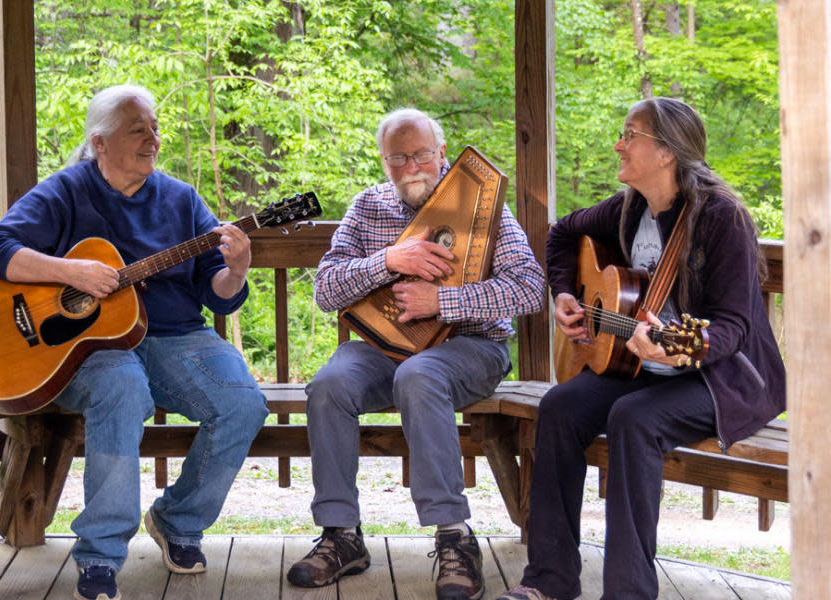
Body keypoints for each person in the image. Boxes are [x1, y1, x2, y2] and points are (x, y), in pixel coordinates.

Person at [0, 84, 269, 600]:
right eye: (138, 130)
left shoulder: (181, 198)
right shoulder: (66, 191)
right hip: (91, 346)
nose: (153, 139)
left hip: (177, 337)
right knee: (122, 389)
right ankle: (101, 555)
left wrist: (237, 270)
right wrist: (70, 272)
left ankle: (178, 520)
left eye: (155, 128)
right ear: (100, 143)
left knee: (244, 404)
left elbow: (216, 294)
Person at [496, 98, 786, 600]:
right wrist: (564, 294)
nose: (619, 144)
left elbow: (735, 326)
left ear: (667, 152)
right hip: (641, 366)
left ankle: (628, 592)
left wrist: (684, 350)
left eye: (631, 135)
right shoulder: (629, 208)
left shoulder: (722, 219)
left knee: (634, 419)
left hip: (718, 377)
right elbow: (563, 234)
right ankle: (549, 579)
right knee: (559, 406)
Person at [285, 108, 545, 600]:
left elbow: (530, 289)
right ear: (383, 161)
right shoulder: (368, 207)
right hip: (384, 348)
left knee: (420, 375)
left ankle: (454, 537)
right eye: (398, 158)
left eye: (421, 155)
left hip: (472, 347)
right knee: (329, 384)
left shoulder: (482, 204)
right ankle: (341, 535)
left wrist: (442, 301)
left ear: (442, 153)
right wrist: (388, 260)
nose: (411, 167)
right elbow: (325, 289)